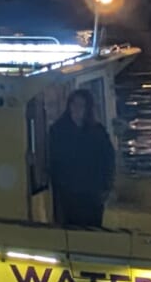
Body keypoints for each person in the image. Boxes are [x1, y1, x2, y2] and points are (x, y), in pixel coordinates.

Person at [46, 87, 115, 229]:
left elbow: (108, 160)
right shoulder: (58, 131)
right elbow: (53, 161)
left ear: (87, 109)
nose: (76, 109)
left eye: (81, 105)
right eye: (73, 104)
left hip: (92, 193)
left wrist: (106, 186)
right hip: (68, 193)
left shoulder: (97, 132)